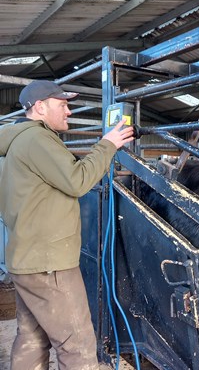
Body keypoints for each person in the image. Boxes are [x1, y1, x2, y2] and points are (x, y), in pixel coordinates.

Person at [0, 80, 135, 370]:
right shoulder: (37, 140)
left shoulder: (14, 142)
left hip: (25, 260)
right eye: (62, 104)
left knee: (32, 338)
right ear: (40, 107)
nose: (69, 111)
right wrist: (107, 145)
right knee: (78, 346)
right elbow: (77, 180)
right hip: (51, 265)